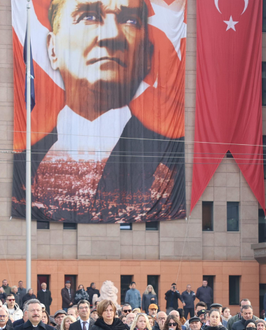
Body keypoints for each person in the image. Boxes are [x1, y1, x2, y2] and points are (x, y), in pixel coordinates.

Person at [13, 0, 184, 223]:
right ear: (52, 49)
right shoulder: (23, 168)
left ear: (146, 56)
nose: (112, 35)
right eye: (88, 16)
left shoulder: (172, 164)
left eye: (130, 20)